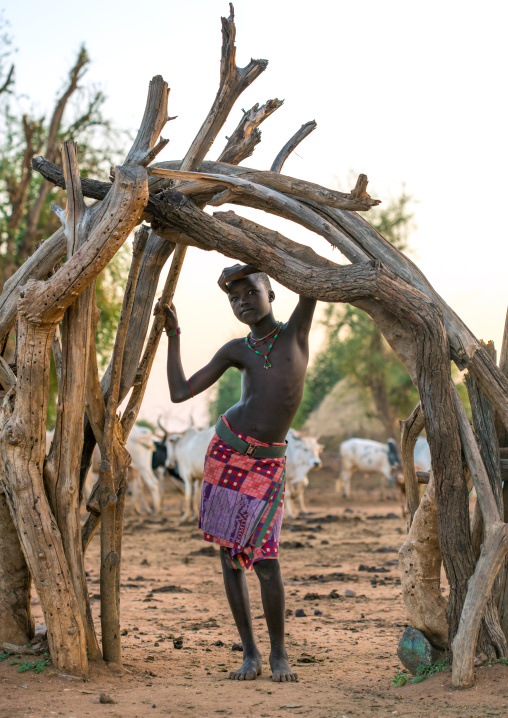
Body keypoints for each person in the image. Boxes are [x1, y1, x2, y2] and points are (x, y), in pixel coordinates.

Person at [157, 263, 316, 682]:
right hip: (226, 456)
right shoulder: (236, 350)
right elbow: (178, 392)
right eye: (234, 298)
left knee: (266, 560)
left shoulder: (296, 331)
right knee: (230, 558)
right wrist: (173, 336)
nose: (242, 302)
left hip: (267, 464)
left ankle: (279, 654)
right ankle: (250, 654)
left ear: (272, 293)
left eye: (250, 292)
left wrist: (253, 257)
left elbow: (310, 274)